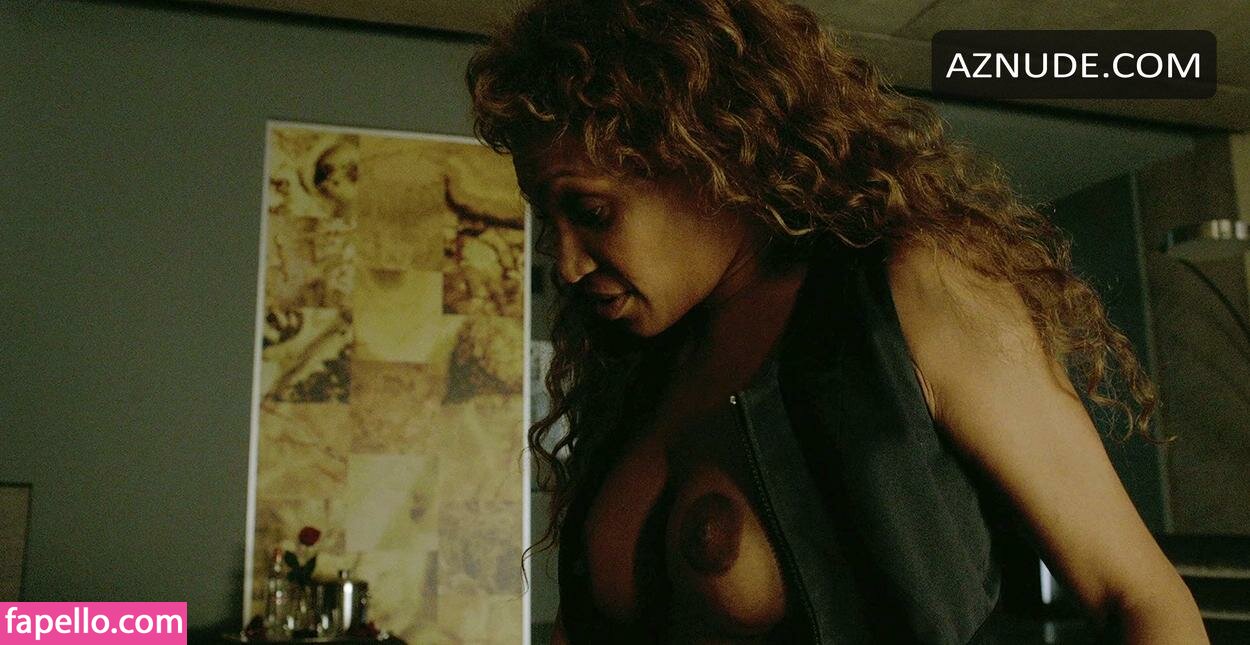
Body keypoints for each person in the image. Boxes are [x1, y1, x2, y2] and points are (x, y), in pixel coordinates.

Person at [466, 0, 1208, 643]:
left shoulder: (911, 290)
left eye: (592, 211)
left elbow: (1142, 599)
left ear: (705, 155)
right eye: (550, 220)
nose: (566, 263)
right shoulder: (635, 368)